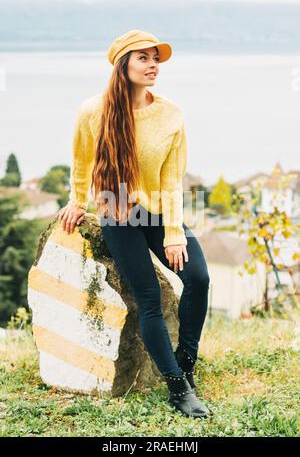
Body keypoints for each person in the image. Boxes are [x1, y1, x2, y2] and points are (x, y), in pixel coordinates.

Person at [58, 29, 211, 419]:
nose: (153, 64)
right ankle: (177, 389)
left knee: (198, 277)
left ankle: (185, 364)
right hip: (117, 211)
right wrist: (77, 201)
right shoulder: (93, 111)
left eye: (155, 58)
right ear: (122, 65)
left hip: (159, 212)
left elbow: (173, 180)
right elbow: (81, 161)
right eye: (143, 58)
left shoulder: (171, 114)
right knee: (149, 300)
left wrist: (174, 233)